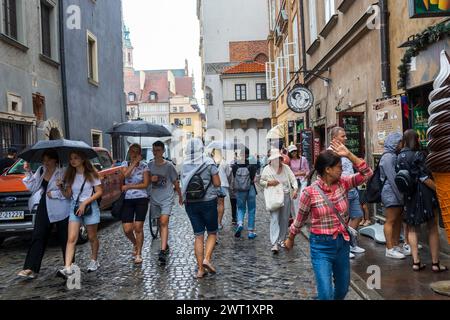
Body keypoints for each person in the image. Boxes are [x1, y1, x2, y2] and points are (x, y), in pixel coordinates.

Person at [285, 142, 373, 300]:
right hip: (321, 246)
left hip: (342, 244)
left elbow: (367, 173)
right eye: (339, 167)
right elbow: (299, 220)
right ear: (328, 169)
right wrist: (291, 238)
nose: (341, 170)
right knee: (325, 294)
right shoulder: (309, 192)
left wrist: (349, 155)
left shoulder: (343, 184)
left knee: (342, 289)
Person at [399, 130, 448, 272]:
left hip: (409, 195)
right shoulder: (419, 154)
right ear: (417, 139)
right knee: (432, 227)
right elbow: (424, 178)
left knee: (412, 228)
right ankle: (435, 263)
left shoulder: (399, 156)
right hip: (424, 195)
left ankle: (416, 262)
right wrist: (439, 190)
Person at [17, 150, 70, 279]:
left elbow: (69, 192)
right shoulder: (41, 170)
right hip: (44, 205)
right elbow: (33, 187)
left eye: (48, 159)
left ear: (55, 160)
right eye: (44, 160)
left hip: (61, 208)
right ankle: (30, 268)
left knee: (65, 237)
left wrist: (56, 192)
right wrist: (28, 171)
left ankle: (69, 266)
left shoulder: (63, 172)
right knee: (38, 234)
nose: (45, 162)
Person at [57, 151, 103, 277]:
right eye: (71, 158)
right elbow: (68, 195)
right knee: (71, 238)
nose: (73, 161)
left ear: (83, 159)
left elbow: (99, 192)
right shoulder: (70, 175)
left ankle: (94, 260)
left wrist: (85, 203)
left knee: (92, 237)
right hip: (75, 207)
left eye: (76, 158)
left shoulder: (92, 173)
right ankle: (67, 267)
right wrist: (61, 188)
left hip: (90, 206)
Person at [181, 138, 221, 278]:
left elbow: (183, 185)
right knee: (211, 232)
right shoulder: (208, 162)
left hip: (191, 203)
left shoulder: (184, 164)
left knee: (198, 236)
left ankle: (199, 270)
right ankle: (207, 259)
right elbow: (217, 183)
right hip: (208, 201)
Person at [329, 127, 365, 257]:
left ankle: (351, 244)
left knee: (357, 215)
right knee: (342, 220)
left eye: (345, 136)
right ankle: (345, 247)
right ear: (334, 138)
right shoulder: (330, 154)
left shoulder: (346, 151)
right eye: (343, 136)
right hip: (341, 190)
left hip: (352, 189)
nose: (346, 138)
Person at [148, 141, 182, 264]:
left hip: (167, 198)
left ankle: (162, 252)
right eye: (154, 149)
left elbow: (175, 182)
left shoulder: (169, 166)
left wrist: (180, 196)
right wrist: (150, 180)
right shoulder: (149, 166)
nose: (155, 152)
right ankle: (164, 244)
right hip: (154, 198)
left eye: (157, 150)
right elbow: (145, 181)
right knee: (159, 222)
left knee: (164, 222)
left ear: (162, 151)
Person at [260, 149, 298, 254]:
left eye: (278, 159)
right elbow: (261, 181)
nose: (277, 161)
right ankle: (274, 243)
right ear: (271, 160)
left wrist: (295, 189)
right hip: (274, 197)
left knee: (284, 219)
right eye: (275, 159)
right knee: (275, 219)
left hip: (285, 196)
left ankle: (282, 239)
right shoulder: (267, 169)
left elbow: (293, 179)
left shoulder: (286, 168)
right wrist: (269, 182)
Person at [120, 144, 150, 264]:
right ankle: (135, 244)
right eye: (132, 151)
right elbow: (125, 175)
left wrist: (129, 186)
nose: (134, 153)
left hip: (141, 198)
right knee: (127, 229)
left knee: (138, 227)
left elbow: (145, 184)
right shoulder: (124, 164)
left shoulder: (144, 166)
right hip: (127, 199)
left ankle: (139, 254)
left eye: (137, 152)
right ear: (129, 152)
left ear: (140, 153)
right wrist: (133, 163)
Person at [380, 132, 407, 259]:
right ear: (395, 143)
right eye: (400, 142)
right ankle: (389, 248)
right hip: (391, 193)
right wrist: (401, 196)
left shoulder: (392, 155)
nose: (401, 144)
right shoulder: (388, 157)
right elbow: (392, 179)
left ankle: (396, 245)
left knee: (397, 220)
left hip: (394, 192)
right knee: (390, 220)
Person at [232, 148, 259, 239]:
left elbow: (234, 176)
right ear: (248, 155)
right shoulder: (252, 164)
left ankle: (240, 223)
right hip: (250, 188)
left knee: (240, 208)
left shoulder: (235, 165)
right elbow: (257, 169)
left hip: (240, 190)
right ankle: (251, 232)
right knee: (251, 210)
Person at [211, 149, 232, 231]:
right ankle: (219, 223)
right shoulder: (224, 162)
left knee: (213, 205)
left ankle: (213, 223)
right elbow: (228, 174)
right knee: (221, 204)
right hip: (222, 185)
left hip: (213, 186)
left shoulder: (210, 163)